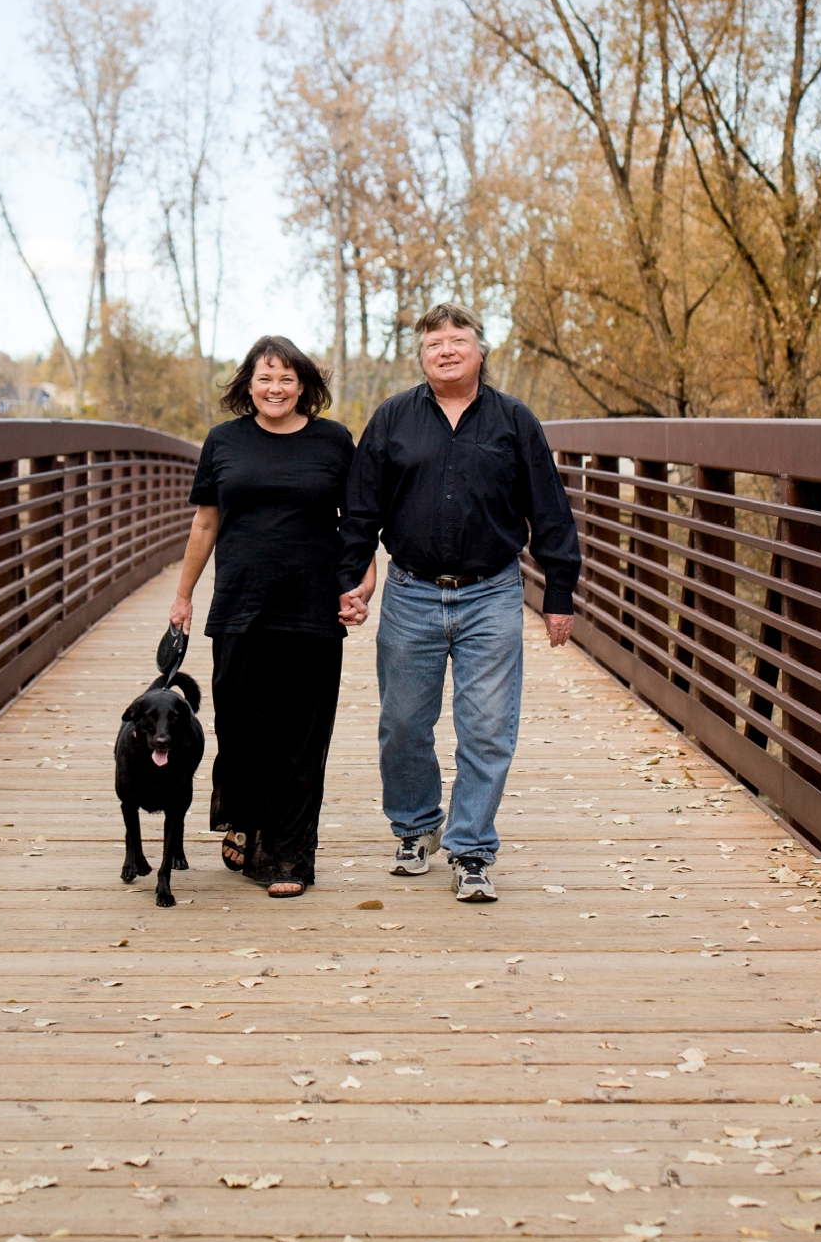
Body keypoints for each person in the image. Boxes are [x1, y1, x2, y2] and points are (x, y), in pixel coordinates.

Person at [337, 302, 581, 904]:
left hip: (492, 592)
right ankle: (417, 827)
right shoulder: (392, 418)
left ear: (480, 350)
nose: (446, 350)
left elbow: (548, 508)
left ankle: (471, 848)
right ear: (422, 357)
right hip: (411, 591)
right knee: (402, 724)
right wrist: (352, 583)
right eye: (434, 344)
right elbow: (361, 509)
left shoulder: (514, 421)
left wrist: (559, 592)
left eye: (458, 340)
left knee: (488, 728)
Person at [169, 336, 370, 898]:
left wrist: (362, 583)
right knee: (239, 728)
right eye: (265, 379)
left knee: (302, 735)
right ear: (248, 385)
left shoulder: (334, 442)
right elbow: (205, 525)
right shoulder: (223, 442)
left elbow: (355, 525)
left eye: (286, 379)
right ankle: (244, 817)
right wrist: (184, 596)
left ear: (303, 384)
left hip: (311, 608)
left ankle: (288, 855)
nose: (275, 389)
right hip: (239, 605)